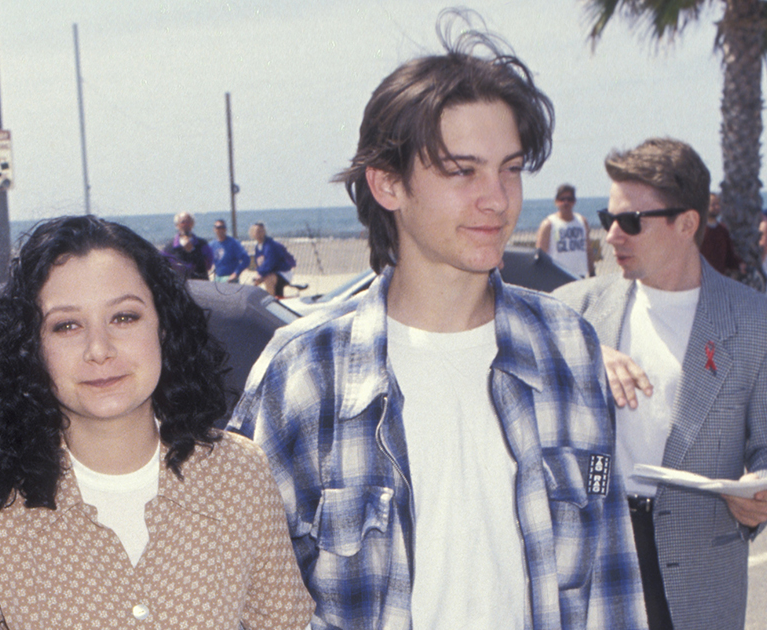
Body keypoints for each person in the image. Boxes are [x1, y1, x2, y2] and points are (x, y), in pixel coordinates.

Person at [230, 14, 645, 629]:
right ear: (388, 184)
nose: (497, 199)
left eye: (510, 168)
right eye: (462, 170)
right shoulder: (307, 371)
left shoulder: (567, 347)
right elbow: (240, 594)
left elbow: (609, 580)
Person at [0, 215, 312, 629]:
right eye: (67, 325)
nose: (99, 349)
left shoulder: (239, 475)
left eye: (124, 317)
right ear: (30, 347)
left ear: (163, 326)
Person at [554, 137, 767, 630]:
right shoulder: (571, 311)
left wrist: (762, 490)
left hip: (699, 571)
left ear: (688, 223)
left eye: (631, 221)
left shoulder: (761, 323)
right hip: (592, 558)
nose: (612, 236)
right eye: (608, 219)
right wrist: (585, 353)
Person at [535, 183, 594, 277]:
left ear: (574, 201)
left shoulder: (582, 222)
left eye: (569, 199)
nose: (566, 203)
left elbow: (588, 250)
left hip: (580, 274)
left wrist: (592, 271)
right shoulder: (549, 224)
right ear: (556, 201)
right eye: (562, 199)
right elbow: (541, 255)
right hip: (558, 275)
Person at [161, 211, 213, 280]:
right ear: (177, 225)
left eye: (189, 222)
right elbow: (163, 266)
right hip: (179, 284)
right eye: (183, 222)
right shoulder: (170, 247)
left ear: (192, 224)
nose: (186, 224)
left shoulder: (202, 244)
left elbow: (208, 265)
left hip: (200, 282)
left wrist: (193, 251)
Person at [248, 222, 296, 298]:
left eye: (261, 231)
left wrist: (261, 274)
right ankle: (276, 297)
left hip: (283, 272)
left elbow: (270, 262)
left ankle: (271, 300)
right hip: (272, 272)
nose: (259, 234)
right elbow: (260, 264)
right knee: (257, 282)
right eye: (257, 232)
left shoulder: (270, 245)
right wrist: (259, 275)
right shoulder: (258, 247)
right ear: (252, 233)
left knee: (268, 279)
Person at [699, 193, 741, 277]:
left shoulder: (722, 230)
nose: (717, 207)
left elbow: (729, 257)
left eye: (718, 204)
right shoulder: (698, 230)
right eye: (713, 204)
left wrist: (739, 265)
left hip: (718, 279)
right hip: (701, 278)